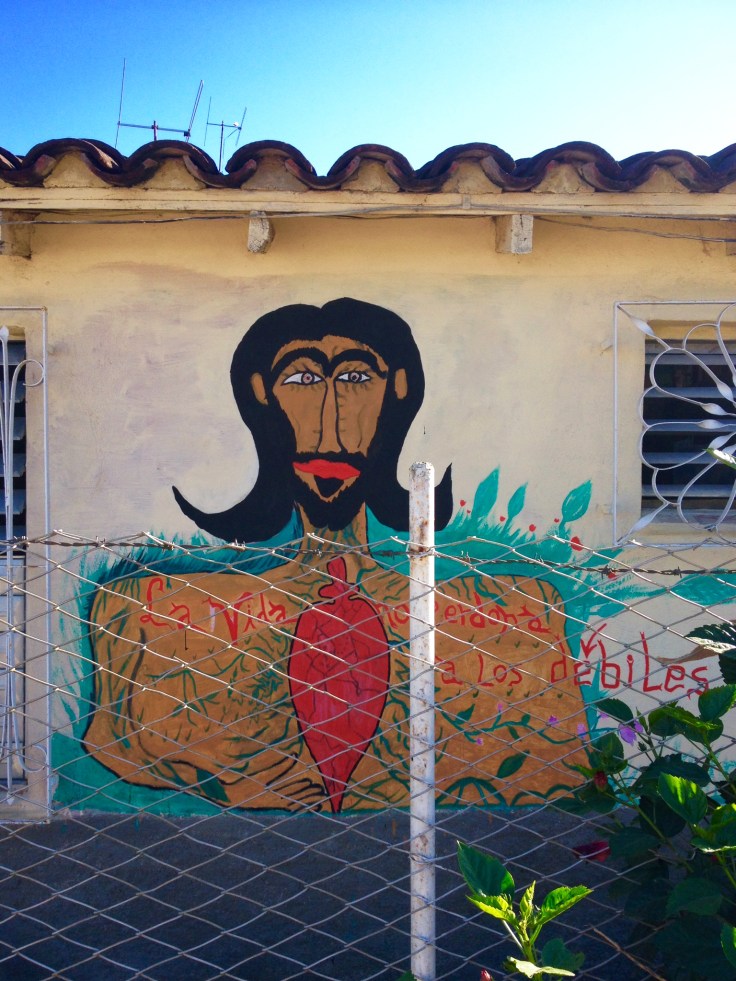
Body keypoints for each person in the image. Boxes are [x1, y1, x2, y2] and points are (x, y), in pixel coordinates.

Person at [84, 299, 587, 813]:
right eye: (302, 379)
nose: (331, 424)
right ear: (260, 394)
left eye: (355, 377)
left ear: (398, 390)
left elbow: (557, 767)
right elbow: (116, 747)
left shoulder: (522, 610)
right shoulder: (139, 611)